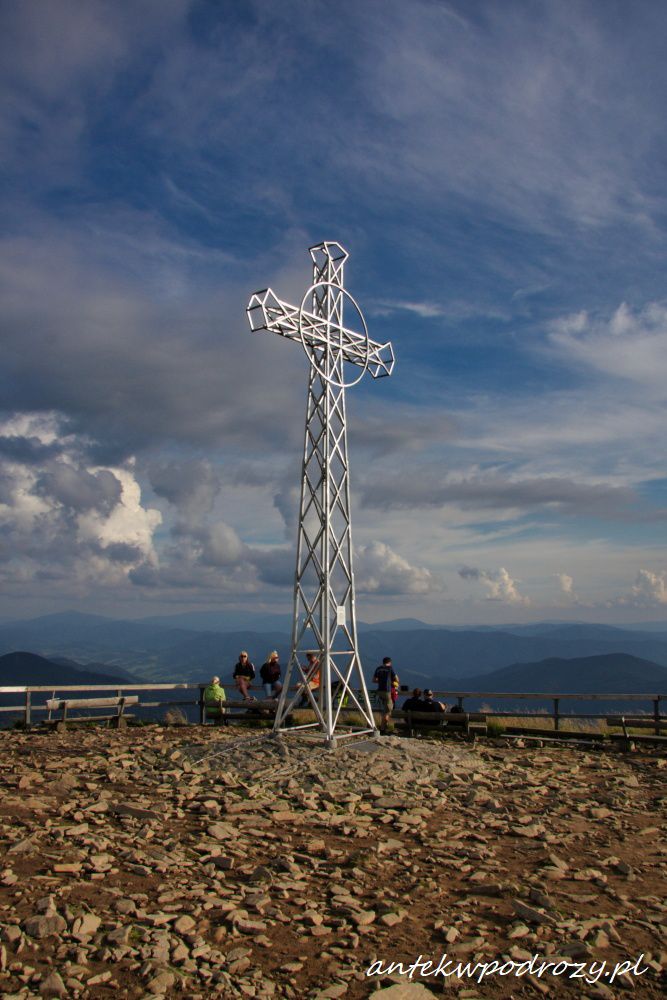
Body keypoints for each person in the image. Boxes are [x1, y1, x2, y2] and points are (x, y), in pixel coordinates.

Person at [373, 656, 398, 732]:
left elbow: (374, 680)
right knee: (388, 711)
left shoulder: (378, 668)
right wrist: (392, 683)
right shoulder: (390, 668)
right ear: (390, 662)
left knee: (385, 709)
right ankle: (383, 728)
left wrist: (381, 681)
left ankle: (383, 726)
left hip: (379, 691)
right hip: (387, 691)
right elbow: (396, 679)